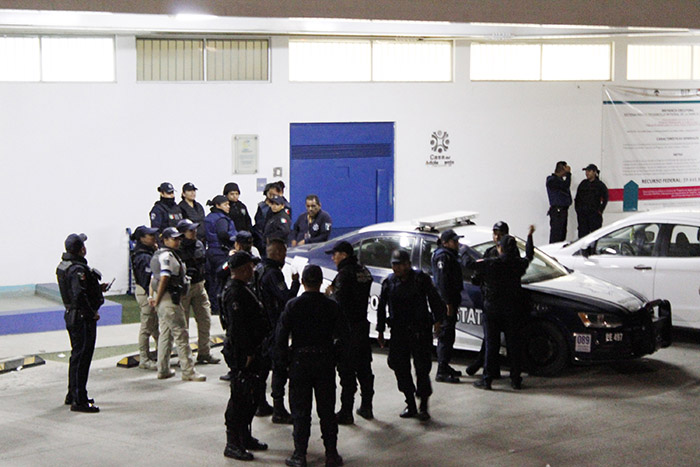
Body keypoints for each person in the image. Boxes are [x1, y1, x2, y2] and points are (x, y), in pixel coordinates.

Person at [276, 265, 347, 467]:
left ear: (304, 282)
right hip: (324, 361)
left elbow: (280, 338)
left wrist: (283, 363)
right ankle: (331, 454)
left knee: (300, 410)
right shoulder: (331, 306)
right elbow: (344, 336)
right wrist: (336, 358)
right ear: (320, 281)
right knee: (327, 410)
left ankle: (299, 455)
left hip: (300, 362)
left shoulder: (293, 305)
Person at [463, 226, 535, 391]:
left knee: (491, 343)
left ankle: (487, 380)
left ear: (501, 248)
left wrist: (463, 250)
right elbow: (530, 255)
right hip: (512, 309)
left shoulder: (491, 263)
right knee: (513, 344)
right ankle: (515, 380)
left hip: (493, 308)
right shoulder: (519, 264)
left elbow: (470, 264)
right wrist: (529, 237)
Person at [377, 249, 445, 421]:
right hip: (398, 332)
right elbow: (382, 305)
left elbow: (434, 299)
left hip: (419, 331)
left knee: (422, 369)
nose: (397, 268)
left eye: (400, 264)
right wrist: (380, 330)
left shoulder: (420, 279)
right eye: (394, 264)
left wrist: (438, 320)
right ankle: (410, 402)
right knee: (398, 366)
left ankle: (423, 405)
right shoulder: (390, 282)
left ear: (408, 264)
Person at [221, 251, 270, 461]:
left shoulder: (244, 289)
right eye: (249, 267)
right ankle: (233, 443)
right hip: (243, 352)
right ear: (241, 270)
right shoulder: (234, 293)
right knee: (240, 397)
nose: (253, 271)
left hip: (254, 349)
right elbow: (237, 327)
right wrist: (247, 353)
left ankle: (245, 436)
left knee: (252, 395)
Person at [56, 233, 108, 413]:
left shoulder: (64, 266)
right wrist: (91, 313)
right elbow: (79, 295)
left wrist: (95, 288)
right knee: (83, 358)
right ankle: (79, 399)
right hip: (81, 317)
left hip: (71, 314)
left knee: (76, 356)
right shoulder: (78, 269)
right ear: (81, 249)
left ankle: (73, 393)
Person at [325, 240, 375, 424]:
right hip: (362, 326)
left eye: (335, 254)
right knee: (364, 369)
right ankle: (367, 406)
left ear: (343, 255)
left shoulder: (344, 275)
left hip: (347, 329)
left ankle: (346, 411)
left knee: (347, 372)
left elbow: (338, 301)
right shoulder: (364, 271)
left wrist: (329, 293)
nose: (333, 258)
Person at [150, 227, 206, 382]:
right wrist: (158, 298)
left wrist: (153, 297)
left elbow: (153, 278)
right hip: (169, 300)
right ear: (165, 240)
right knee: (181, 335)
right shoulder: (167, 256)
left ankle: (163, 369)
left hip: (165, 299)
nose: (178, 241)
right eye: (174, 239)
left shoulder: (160, 255)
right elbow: (164, 277)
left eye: (179, 238)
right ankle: (189, 371)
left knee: (166, 335)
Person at [258, 238, 300, 424]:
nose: (284, 257)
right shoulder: (274, 274)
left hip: (263, 327)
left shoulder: (259, 269)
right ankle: (278, 408)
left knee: (263, 367)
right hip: (275, 328)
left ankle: (260, 403)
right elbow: (286, 298)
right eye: (283, 253)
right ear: (275, 254)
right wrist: (296, 284)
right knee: (279, 367)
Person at [465, 221, 509, 378]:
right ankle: (487, 368)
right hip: (492, 302)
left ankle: (487, 374)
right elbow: (477, 276)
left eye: (500, 234)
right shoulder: (491, 252)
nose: (497, 237)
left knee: (493, 340)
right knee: (491, 339)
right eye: (495, 233)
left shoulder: (507, 254)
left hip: (500, 303)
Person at [177, 219, 220, 365]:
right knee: (183, 325)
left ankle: (204, 353)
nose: (194, 232)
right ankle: (185, 357)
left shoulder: (199, 244)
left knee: (205, 320)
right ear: (182, 233)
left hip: (199, 286)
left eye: (194, 229)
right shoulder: (177, 248)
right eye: (190, 230)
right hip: (184, 290)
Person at [431, 229, 464, 384]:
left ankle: (445, 365)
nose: (457, 244)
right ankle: (441, 371)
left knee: (449, 335)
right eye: (454, 241)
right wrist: (448, 303)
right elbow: (443, 283)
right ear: (445, 242)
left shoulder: (449, 255)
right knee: (445, 335)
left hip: (450, 301)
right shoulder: (443, 257)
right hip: (446, 303)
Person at [130, 225, 160, 370]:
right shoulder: (143, 256)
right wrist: (152, 296)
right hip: (146, 293)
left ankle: (160, 354)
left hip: (149, 292)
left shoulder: (148, 252)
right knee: (147, 327)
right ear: (142, 239)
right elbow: (146, 279)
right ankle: (144, 358)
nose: (153, 238)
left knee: (154, 327)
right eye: (150, 235)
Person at [204, 195, 237, 315]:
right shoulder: (222, 219)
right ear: (218, 205)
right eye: (225, 204)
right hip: (220, 252)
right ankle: (219, 307)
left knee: (212, 281)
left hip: (211, 251)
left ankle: (214, 306)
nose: (228, 207)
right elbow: (223, 234)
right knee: (221, 281)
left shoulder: (209, 217)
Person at [575, 163, 609, 238]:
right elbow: (577, 198)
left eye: (589, 171)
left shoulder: (600, 185)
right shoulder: (583, 184)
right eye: (586, 171)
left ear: (594, 172)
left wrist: (600, 210)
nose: (587, 173)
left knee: (595, 236)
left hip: (594, 215)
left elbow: (605, 198)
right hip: (583, 215)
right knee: (582, 237)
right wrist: (578, 210)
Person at [546, 161, 572, 243]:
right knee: (556, 235)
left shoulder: (560, 180)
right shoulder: (552, 180)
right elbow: (565, 185)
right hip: (557, 212)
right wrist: (569, 174)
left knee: (562, 235)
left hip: (563, 211)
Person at [253, 183, 281, 255]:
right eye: (270, 194)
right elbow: (258, 223)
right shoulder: (262, 207)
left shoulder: (282, 206)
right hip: (262, 238)